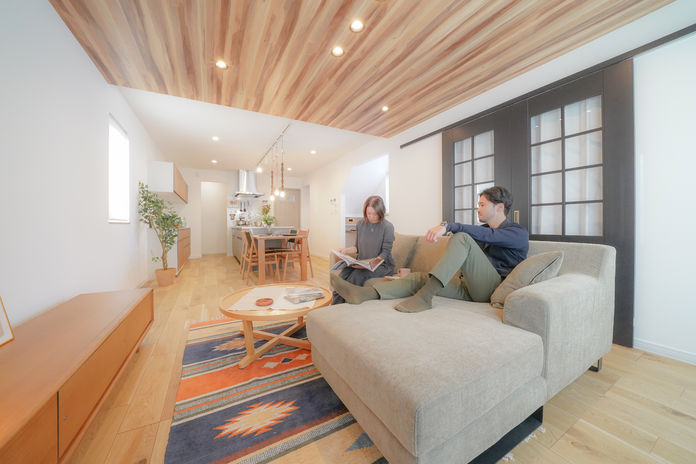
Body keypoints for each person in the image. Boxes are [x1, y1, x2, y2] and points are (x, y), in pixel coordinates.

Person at [331, 186, 528, 312]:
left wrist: (449, 226)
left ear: (499, 207)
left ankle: (425, 298)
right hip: (469, 289)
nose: (478, 208)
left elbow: (488, 236)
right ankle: (364, 294)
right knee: (419, 278)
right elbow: (479, 241)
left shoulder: (517, 233)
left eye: (482, 204)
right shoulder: (483, 230)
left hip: (491, 289)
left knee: (462, 237)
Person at [332, 195, 395, 304]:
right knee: (341, 278)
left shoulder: (388, 227)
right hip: (362, 262)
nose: (371, 217)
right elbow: (357, 247)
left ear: (381, 212)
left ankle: (344, 307)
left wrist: (369, 265)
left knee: (354, 278)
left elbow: (385, 253)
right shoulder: (360, 224)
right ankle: (335, 306)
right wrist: (345, 251)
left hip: (381, 265)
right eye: (369, 213)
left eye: (375, 214)